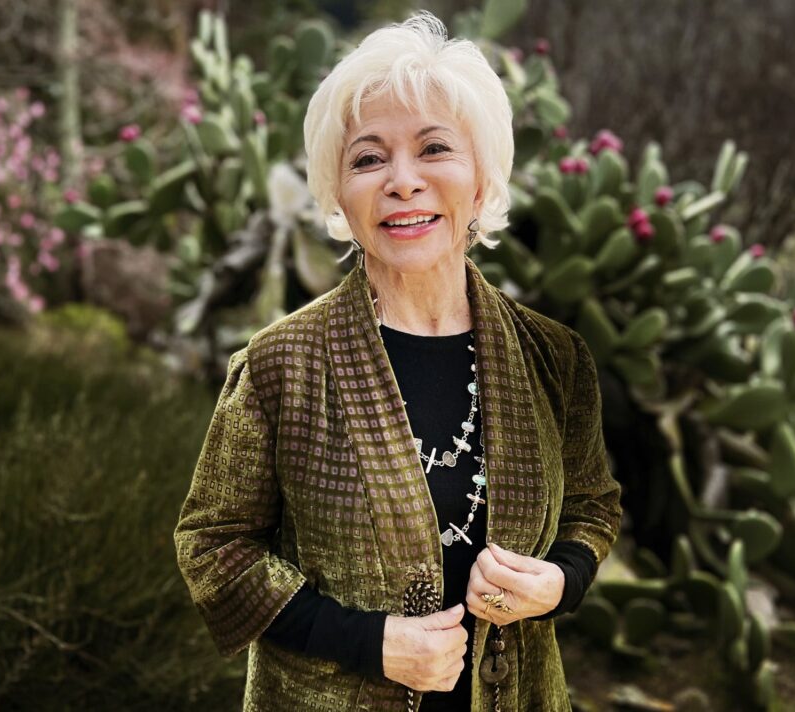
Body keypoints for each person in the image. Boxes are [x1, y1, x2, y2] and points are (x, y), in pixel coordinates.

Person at [174, 11, 622, 711]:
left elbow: (594, 506)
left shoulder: (554, 358)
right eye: (368, 158)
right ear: (340, 198)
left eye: (434, 148)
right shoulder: (277, 367)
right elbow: (213, 546)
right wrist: (371, 641)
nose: (401, 181)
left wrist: (561, 580)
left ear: (481, 182)